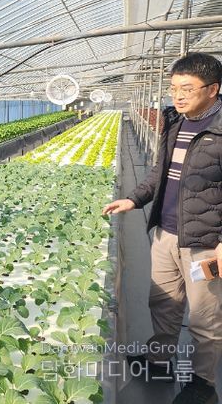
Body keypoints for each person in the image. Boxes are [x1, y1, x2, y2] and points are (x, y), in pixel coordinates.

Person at [103, 52, 222, 404]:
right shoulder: (175, 121)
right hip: (165, 232)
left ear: (213, 89)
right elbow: (160, 172)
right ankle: (159, 361)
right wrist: (134, 199)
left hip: (205, 243)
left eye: (187, 89)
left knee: (204, 315)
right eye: (173, 89)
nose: (178, 96)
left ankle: (203, 384)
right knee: (163, 302)